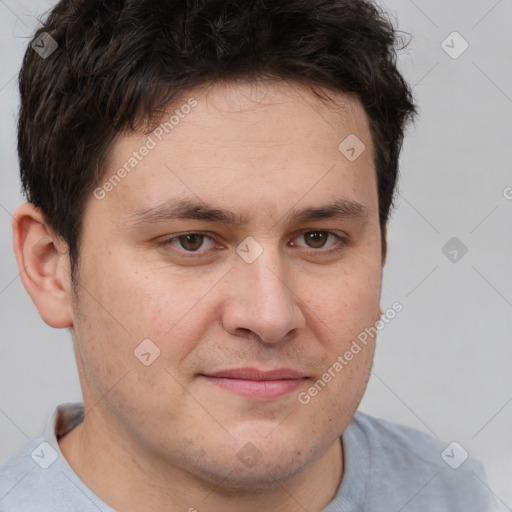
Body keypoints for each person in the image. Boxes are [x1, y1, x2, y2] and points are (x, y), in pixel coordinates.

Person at [0, 0, 501, 510]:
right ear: (51, 267)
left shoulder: (460, 493)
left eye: (317, 238)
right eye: (191, 240)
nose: (270, 316)